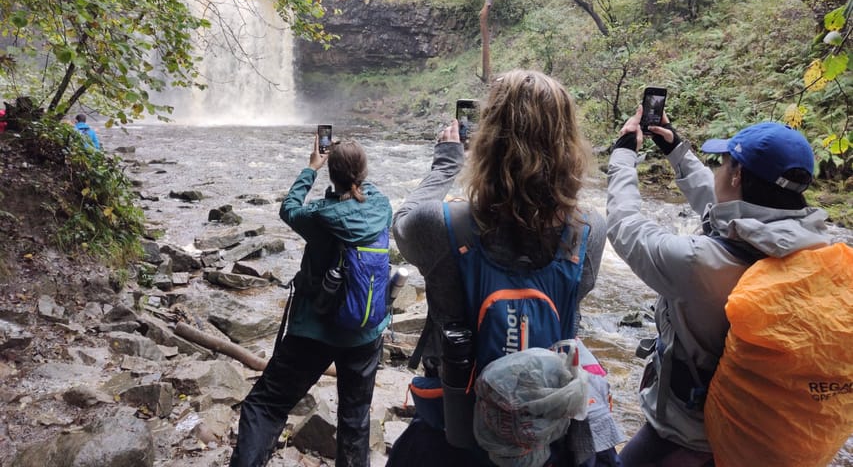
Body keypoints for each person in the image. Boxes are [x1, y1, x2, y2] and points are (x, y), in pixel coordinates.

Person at [389, 69, 622, 466]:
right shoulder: (589, 231)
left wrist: (445, 164)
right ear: (568, 145)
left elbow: (402, 220)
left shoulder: (439, 226)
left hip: (455, 432)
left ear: (486, 142)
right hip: (545, 437)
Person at [606, 108, 830, 467]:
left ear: (737, 174)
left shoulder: (698, 263)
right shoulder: (816, 247)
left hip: (685, 436)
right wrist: (677, 151)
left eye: (723, 164)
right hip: (757, 438)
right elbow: (725, 212)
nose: (717, 172)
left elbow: (625, 227)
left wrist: (622, 155)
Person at [229, 136, 393, 467]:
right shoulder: (382, 207)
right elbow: (361, 191)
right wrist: (350, 175)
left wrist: (311, 168)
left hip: (314, 332)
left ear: (332, 173)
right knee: (356, 420)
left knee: (266, 406)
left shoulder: (319, 216)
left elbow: (289, 208)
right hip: (365, 332)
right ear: (363, 173)